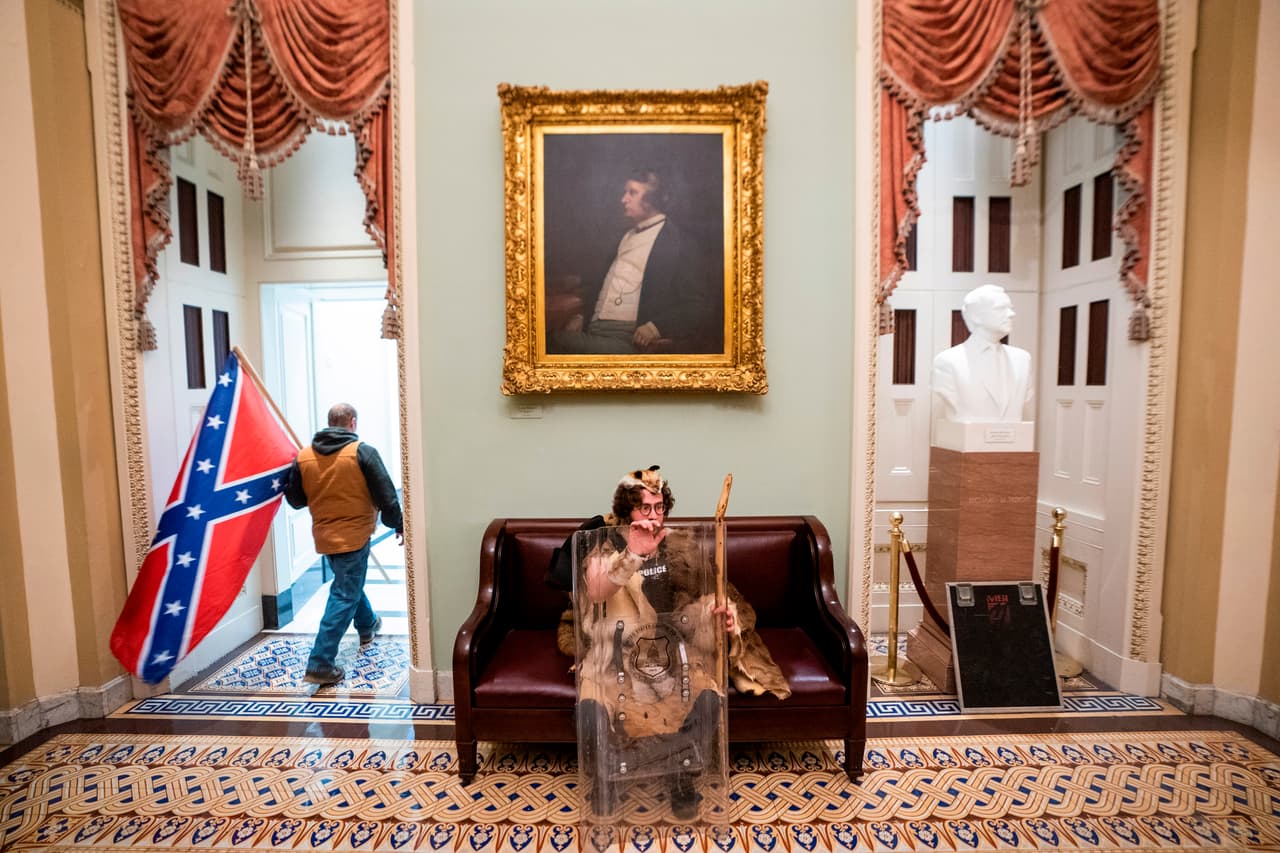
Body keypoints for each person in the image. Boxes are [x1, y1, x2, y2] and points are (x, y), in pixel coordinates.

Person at [548, 467, 790, 818]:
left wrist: (715, 616)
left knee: (707, 698)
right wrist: (633, 552)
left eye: (659, 508)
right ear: (626, 510)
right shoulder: (602, 543)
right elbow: (598, 591)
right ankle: (607, 777)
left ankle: (682, 775)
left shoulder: (680, 545)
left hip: (671, 651)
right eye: (644, 508)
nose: (653, 516)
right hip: (614, 653)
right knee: (590, 709)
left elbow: (695, 603)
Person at [284, 403, 403, 685]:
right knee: (344, 594)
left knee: (346, 585)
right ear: (352, 422)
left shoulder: (304, 457)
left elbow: (296, 500)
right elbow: (387, 495)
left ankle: (367, 624)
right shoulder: (362, 452)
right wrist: (398, 524)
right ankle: (320, 662)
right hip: (355, 534)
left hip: (324, 536)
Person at [547, 168, 719, 355]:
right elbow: (602, 284)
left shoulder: (680, 242)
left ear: (654, 198)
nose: (624, 199)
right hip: (591, 329)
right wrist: (583, 316)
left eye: (633, 192)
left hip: (627, 339)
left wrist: (655, 328)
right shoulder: (624, 236)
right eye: (625, 192)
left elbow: (698, 305)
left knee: (551, 342)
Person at [931, 284, 1035, 425]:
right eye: (1001, 308)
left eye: (1010, 308)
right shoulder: (947, 361)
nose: (1011, 314)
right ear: (976, 317)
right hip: (969, 440)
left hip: (1013, 442)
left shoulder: (1022, 360)